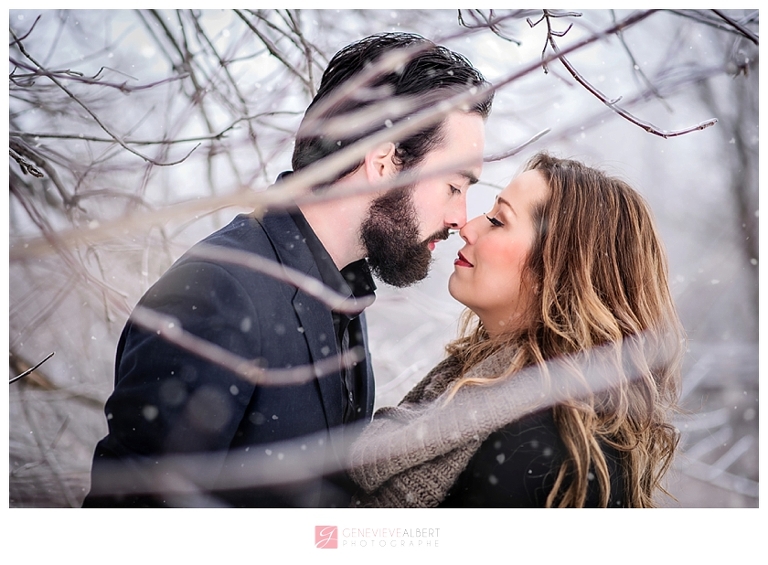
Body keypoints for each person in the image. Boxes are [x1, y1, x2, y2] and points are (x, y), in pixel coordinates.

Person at [82, 32, 493, 507]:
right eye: (454, 186)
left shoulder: (340, 292)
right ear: (384, 162)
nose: (460, 218)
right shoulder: (217, 293)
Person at [349, 152, 685, 508]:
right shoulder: (476, 390)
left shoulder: (541, 446)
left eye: (497, 220)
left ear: (555, 271)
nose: (467, 227)